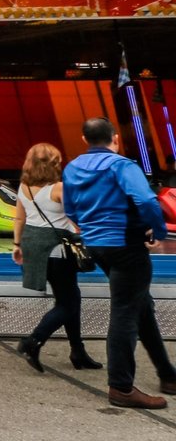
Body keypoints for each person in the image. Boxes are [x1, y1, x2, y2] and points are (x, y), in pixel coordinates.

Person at [62, 118, 175, 409]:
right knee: (125, 312)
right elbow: (146, 201)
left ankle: (168, 375)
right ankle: (121, 387)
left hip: (96, 245)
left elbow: (70, 208)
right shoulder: (122, 166)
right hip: (126, 245)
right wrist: (158, 231)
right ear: (115, 138)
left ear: (84, 139)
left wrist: (90, 228)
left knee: (141, 305)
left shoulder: (72, 168)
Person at [12, 143, 99, 373]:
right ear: (54, 164)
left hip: (34, 249)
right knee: (67, 303)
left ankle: (78, 351)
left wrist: (16, 245)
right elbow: (78, 217)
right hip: (58, 250)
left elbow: (19, 219)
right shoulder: (59, 189)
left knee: (70, 298)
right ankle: (33, 341)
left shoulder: (24, 187)